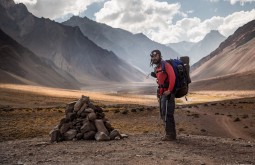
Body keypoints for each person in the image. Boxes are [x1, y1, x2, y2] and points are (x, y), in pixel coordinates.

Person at [150, 49, 177, 141]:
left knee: (168, 114)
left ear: (160, 56)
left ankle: (170, 135)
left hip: (168, 93)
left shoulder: (166, 65)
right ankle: (169, 134)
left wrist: (169, 90)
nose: (154, 58)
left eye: (155, 56)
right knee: (163, 113)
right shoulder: (157, 68)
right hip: (162, 94)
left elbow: (173, 77)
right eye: (152, 56)